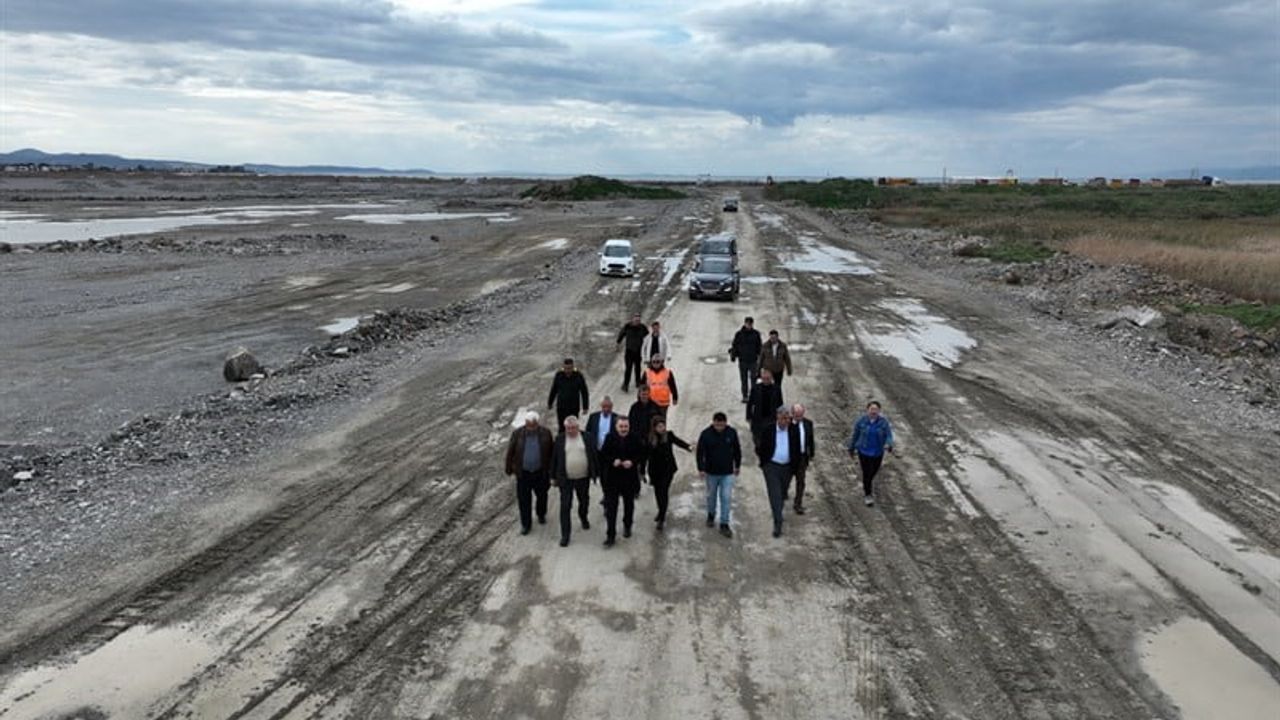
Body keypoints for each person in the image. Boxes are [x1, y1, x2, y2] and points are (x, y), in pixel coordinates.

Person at [504, 411, 554, 534]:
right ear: (525, 423)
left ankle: (541, 514)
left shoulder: (546, 433)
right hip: (523, 474)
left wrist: (552, 471)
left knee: (542, 496)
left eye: (533, 425)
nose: (531, 427)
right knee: (524, 500)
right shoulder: (517, 434)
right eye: (528, 425)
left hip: (540, 473)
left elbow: (551, 453)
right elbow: (511, 451)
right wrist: (509, 468)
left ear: (537, 423)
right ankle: (526, 524)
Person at [600, 416, 646, 546]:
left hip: (629, 478)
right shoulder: (610, 437)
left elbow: (642, 454)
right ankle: (611, 535)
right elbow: (603, 455)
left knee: (629, 505)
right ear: (616, 427)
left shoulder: (635, 437)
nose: (623, 429)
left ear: (629, 426)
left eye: (626, 426)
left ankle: (627, 525)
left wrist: (632, 462)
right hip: (612, 478)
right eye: (621, 426)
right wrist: (612, 461)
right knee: (611, 508)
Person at [551, 415, 597, 547]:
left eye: (573, 428)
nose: (570, 431)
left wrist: (596, 473)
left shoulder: (587, 437)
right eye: (568, 428)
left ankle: (583, 517)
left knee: (584, 501)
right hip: (566, 480)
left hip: (583, 478)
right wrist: (553, 477)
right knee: (565, 506)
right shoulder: (560, 439)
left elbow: (593, 455)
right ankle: (565, 535)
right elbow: (554, 459)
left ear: (578, 427)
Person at [755, 406, 800, 538]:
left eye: (787, 419)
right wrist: (764, 463)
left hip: (787, 468)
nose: (785, 422)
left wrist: (795, 467)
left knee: (782, 493)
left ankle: (778, 510)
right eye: (782, 418)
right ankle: (778, 522)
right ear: (777, 418)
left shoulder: (793, 431)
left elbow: (797, 449)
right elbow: (760, 447)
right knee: (775, 494)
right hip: (771, 467)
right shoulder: (769, 430)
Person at [696, 411, 742, 538]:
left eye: (722, 425)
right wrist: (701, 468)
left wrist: (737, 465)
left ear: (725, 423)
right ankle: (711, 514)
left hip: (727, 472)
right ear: (713, 422)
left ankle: (724, 523)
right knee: (711, 496)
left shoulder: (731, 433)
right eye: (717, 425)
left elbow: (737, 450)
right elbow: (700, 452)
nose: (719, 428)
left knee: (726, 497)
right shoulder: (705, 434)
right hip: (711, 472)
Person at [646, 417, 692, 531]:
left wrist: (688, 447)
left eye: (663, 426)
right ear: (654, 428)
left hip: (667, 470)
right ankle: (661, 510)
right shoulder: (650, 438)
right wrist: (641, 469)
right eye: (659, 427)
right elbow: (645, 454)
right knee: (658, 493)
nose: (662, 429)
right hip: (655, 471)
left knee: (663, 492)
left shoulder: (669, 435)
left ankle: (662, 517)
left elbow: (678, 442)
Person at [846, 401, 895, 506]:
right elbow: (855, 435)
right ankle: (868, 494)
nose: (873, 411)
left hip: (878, 452)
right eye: (871, 409)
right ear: (867, 410)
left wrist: (889, 444)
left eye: (876, 409)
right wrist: (851, 448)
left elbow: (888, 435)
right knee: (867, 473)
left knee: (873, 471)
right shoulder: (861, 421)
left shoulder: (883, 422)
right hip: (864, 451)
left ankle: (866, 484)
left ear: (879, 411)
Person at [788, 403, 816, 514]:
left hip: (802, 458)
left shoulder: (808, 423)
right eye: (797, 415)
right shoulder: (787, 424)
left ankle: (798, 503)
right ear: (792, 414)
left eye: (801, 415)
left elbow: (811, 440)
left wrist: (812, 454)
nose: (799, 417)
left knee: (801, 482)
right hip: (789, 458)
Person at [547, 357, 590, 431]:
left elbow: (584, 391)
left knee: (573, 426)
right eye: (566, 368)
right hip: (561, 407)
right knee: (562, 426)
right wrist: (550, 403)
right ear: (563, 367)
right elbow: (554, 389)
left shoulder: (578, 376)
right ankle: (562, 441)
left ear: (573, 367)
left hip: (574, 407)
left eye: (570, 368)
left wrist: (585, 407)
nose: (568, 370)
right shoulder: (559, 375)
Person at [745, 368, 784, 448]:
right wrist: (748, 417)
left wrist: (781, 418)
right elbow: (750, 403)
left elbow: (780, 404)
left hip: (771, 419)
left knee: (771, 441)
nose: (766, 380)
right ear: (761, 378)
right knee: (758, 441)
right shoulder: (755, 388)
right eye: (764, 378)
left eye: (768, 378)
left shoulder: (777, 389)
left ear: (772, 378)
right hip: (758, 419)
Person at [729, 316, 763, 403]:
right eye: (747, 323)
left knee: (753, 379)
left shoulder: (756, 334)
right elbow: (735, 345)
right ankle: (745, 396)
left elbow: (759, 347)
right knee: (744, 379)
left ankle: (753, 396)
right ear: (745, 323)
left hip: (753, 360)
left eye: (750, 324)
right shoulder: (739, 334)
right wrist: (733, 355)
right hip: (743, 360)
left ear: (752, 324)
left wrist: (761, 358)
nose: (749, 325)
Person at [616, 313, 649, 391]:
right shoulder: (627, 326)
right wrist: (618, 343)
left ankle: (638, 382)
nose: (637, 320)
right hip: (629, 351)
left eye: (638, 319)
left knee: (637, 367)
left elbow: (648, 337)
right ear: (632, 319)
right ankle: (625, 385)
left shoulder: (642, 327)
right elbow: (621, 334)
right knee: (628, 368)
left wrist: (647, 347)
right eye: (636, 319)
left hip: (638, 351)